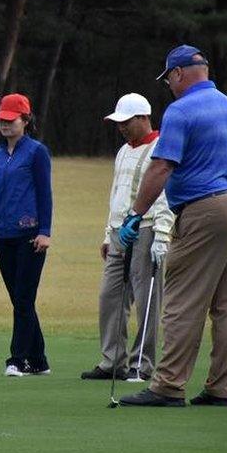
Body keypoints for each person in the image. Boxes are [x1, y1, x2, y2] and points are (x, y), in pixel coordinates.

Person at [118, 45, 227, 407]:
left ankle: (167, 386)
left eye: (169, 79)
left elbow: (162, 166)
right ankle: (222, 387)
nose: (169, 86)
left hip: (206, 209)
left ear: (178, 73)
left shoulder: (181, 111)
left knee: (182, 299)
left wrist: (136, 213)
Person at [81, 94, 173, 382]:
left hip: (146, 230)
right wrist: (107, 233)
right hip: (119, 232)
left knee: (147, 300)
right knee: (110, 297)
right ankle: (113, 361)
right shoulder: (123, 150)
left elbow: (164, 196)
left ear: (143, 118)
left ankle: (142, 365)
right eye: (118, 122)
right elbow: (116, 194)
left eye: (126, 121)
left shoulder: (161, 148)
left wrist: (162, 234)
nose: (121, 127)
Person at [0, 93, 53, 377]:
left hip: (31, 236)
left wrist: (45, 231)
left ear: (25, 120)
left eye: (11, 120)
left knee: (23, 298)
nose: (5, 125)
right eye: (2, 120)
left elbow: (44, 194)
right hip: (4, 235)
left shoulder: (36, 152)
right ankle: (39, 360)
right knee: (20, 299)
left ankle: (17, 359)